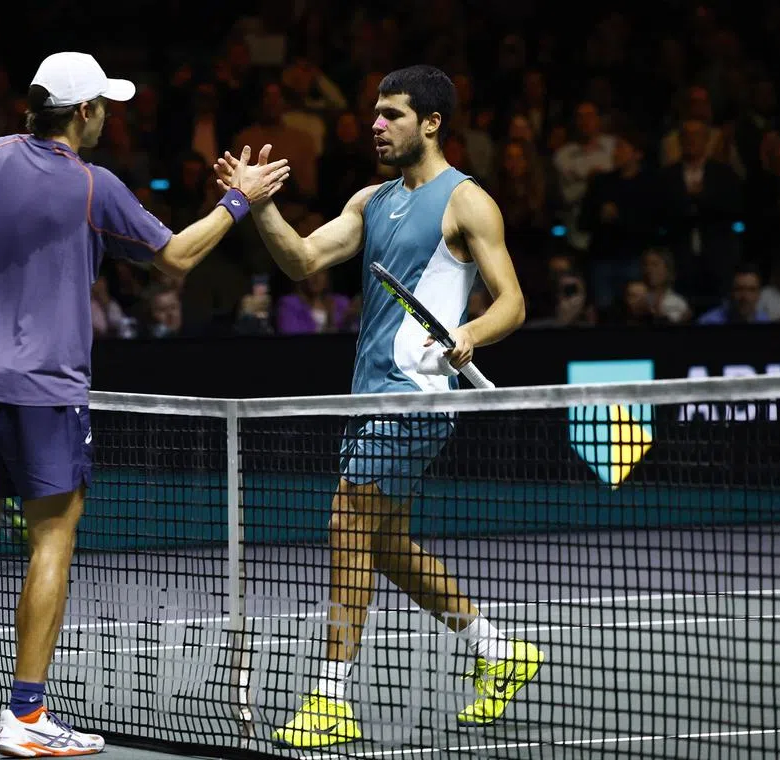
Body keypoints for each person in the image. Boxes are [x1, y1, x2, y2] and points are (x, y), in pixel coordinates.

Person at [0, 51, 289, 757]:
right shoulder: (95, 186)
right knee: (51, 539)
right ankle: (25, 715)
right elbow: (175, 258)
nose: (108, 117)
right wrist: (237, 200)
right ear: (83, 112)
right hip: (48, 393)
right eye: (104, 106)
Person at [216, 64, 541, 748]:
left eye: (391, 114)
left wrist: (471, 333)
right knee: (385, 545)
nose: (376, 125)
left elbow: (512, 301)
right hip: (369, 396)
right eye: (375, 114)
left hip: (417, 397)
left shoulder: (468, 202)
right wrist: (258, 205)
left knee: (347, 522)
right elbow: (303, 260)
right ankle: (500, 651)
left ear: (430, 123)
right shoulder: (372, 200)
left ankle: (332, 694)